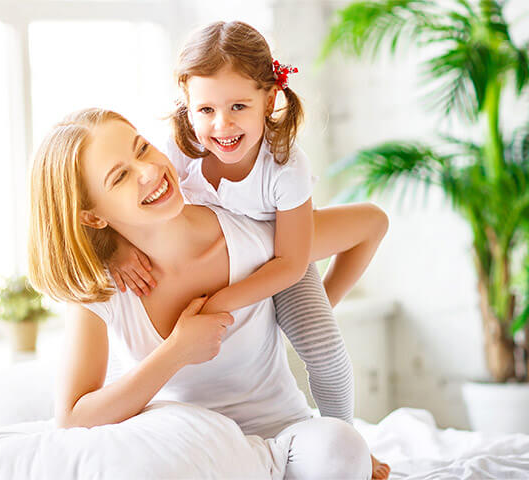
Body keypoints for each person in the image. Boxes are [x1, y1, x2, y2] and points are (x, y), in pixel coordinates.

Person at [106, 21, 390, 479]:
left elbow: (292, 262)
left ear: (271, 98)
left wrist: (246, 307)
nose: (223, 125)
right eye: (206, 109)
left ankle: (350, 437)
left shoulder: (284, 164)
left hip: (276, 259)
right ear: (187, 105)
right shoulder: (177, 151)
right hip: (223, 258)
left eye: (239, 105)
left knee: (327, 353)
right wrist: (117, 250)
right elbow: (133, 207)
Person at [28, 108, 372, 479]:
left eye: (142, 148)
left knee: (342, 447)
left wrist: (300, 315)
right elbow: (72, 419)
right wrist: (177, 351)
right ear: (92, 216)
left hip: (283, 438)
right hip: (186, 450)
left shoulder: (251, 235)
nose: (148, 171)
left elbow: (369, 225)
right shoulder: (104, 288)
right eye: (120, 176)